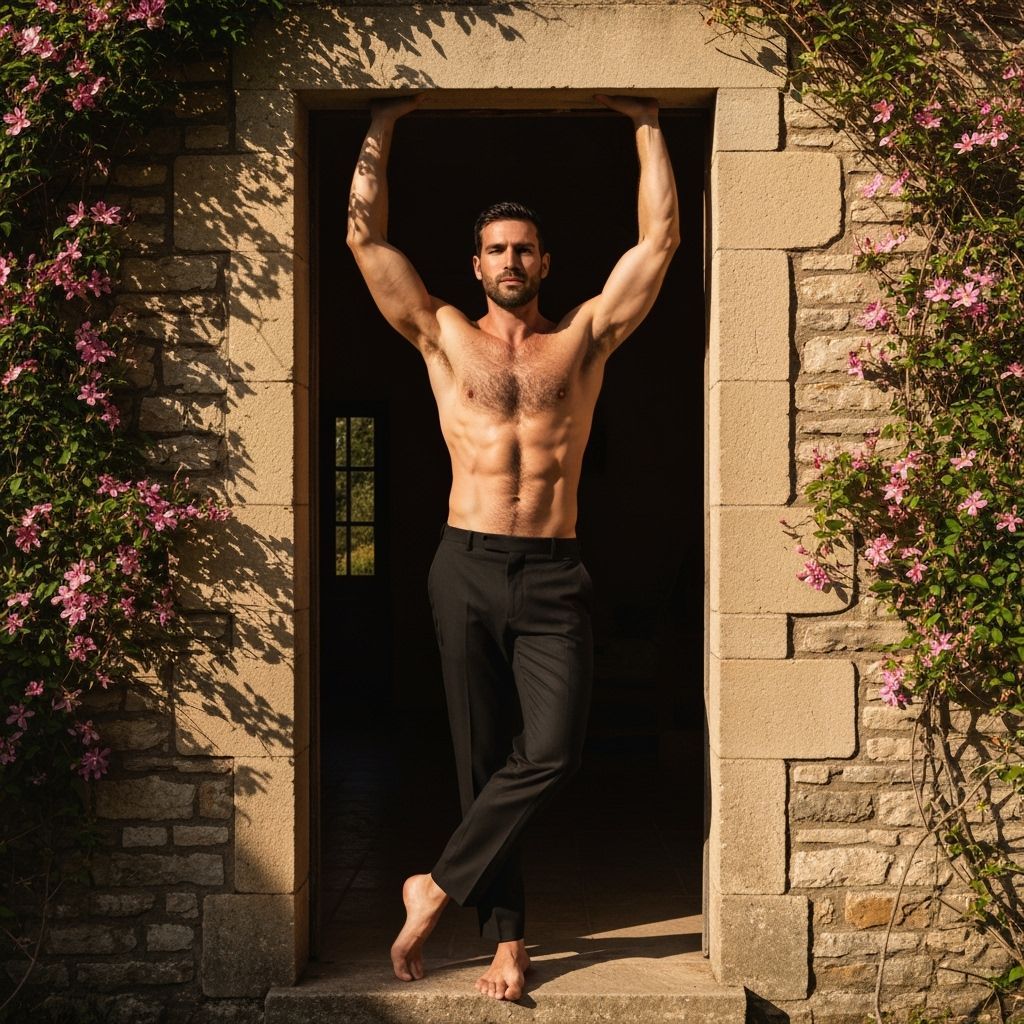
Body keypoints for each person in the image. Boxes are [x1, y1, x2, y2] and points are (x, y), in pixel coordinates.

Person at [345, 91, 680, 1002]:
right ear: (477, 262)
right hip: (464, 565)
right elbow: (366, 244)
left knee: (553, 750)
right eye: (496, 248)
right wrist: (384, 124)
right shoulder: (444, 334)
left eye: (524, 247)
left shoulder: (582, 339)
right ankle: (508, 942)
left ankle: (437, 884)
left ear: (544, 260)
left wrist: (647, 120)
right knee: (480, 759)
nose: (511, 260)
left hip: (553, 570)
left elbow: (657, 247)